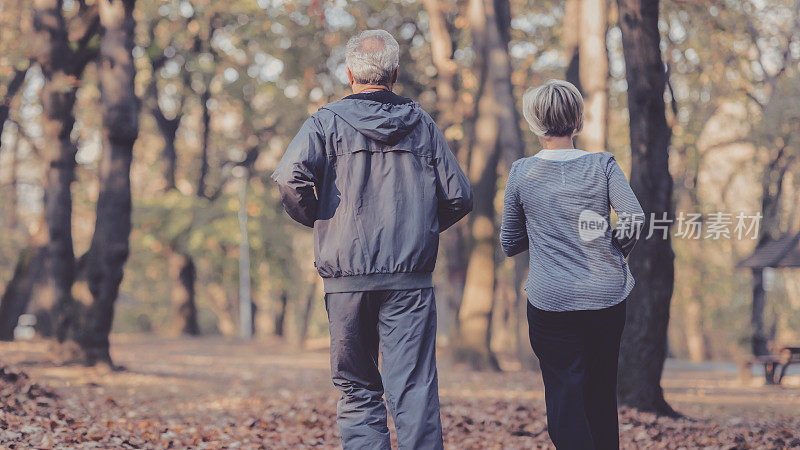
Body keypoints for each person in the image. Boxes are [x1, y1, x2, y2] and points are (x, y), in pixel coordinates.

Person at [271, 29, 473, 450]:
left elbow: (290, 176)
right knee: (414, 388)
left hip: (347, 278)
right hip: (409, 280)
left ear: (349, 75)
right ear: (395, 73)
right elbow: (459, 195)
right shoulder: (423, 123)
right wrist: (419, 227)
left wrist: (318, 219)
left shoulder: (324, 123)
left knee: (358, 388)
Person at [500, 80, 645, 450]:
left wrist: (546, 232)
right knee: (600, 392)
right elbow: (633, 218)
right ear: (578, 120)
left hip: (552, 301)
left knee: (565, 396)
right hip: (606, 296)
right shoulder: (603, 165)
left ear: (535, 123)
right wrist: (613, 252)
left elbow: (510, 242)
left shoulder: (521, 173)